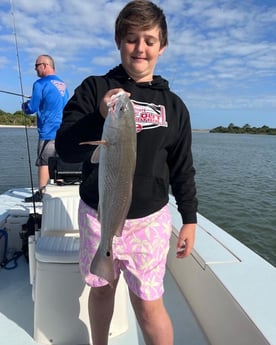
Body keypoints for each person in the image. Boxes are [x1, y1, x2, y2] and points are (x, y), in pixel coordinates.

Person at [55, 1, 198, 344]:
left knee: (149, 304)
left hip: (149, 221)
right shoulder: (94, 89)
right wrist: (98, 116)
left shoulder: (174, 106)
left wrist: (190, 218)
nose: (140, 47)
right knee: (102, 291)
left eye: (149, 40)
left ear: (162, 46)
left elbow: (182, 167)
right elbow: (66, 149)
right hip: (98, 215)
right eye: (132, 38)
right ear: (119, 42)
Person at [22, 54, 69, 202]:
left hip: (48, 132)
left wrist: (24, 106)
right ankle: (60, 194)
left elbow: (32, 108)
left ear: (45, 65)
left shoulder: (40, 83)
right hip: (63, 132)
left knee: (44, 162)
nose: (35, 69)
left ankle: (41, 194)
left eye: (36, 66)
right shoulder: (63, 84)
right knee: (59, 164)